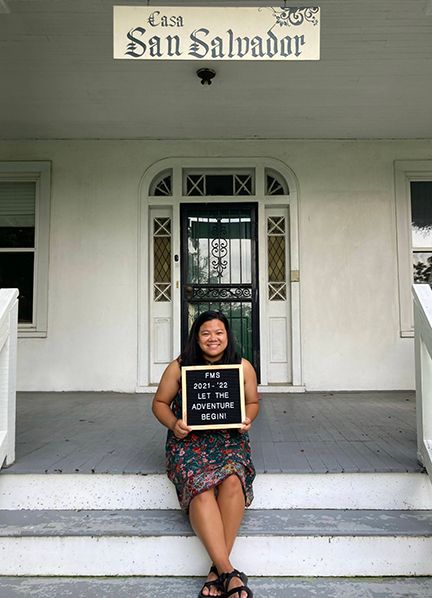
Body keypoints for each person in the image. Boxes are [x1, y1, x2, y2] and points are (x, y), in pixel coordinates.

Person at [152, 310, 259, 598]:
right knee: (201, 488)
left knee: (232, 480)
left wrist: (248, 418)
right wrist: (174, 424)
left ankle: (217, 571)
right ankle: (229, 573)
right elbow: (159, 403)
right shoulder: (180, 366)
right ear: (197, 338)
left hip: (229, 439)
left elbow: (252, 402)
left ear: (228, 336)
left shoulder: (242, 367)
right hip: (189, 442)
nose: (213, 338)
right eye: (206, 333)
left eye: (219, 332)